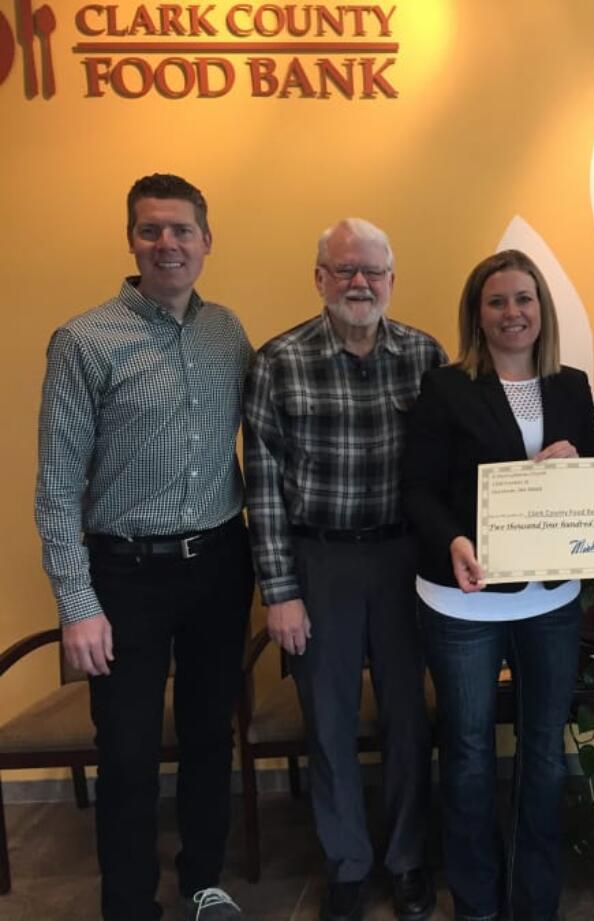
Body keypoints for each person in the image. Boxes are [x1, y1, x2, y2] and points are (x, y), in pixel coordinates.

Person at [34, 173, 254, 921]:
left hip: (221, 564)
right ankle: (129, 903)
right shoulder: (83, 340)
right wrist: (77, 602)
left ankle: (202, 881)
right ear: (131, 240)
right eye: (152, 230)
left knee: (206, 734)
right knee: (127, 752)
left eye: (182, 230)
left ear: (205, 240)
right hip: (124, 575)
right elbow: (57, 487)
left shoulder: (227, 331)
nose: (168, 244)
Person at [242, 218, 445, 921]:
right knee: (327, 722)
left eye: (373, 271)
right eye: (344, 269)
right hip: (317, 559)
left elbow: (449, 467)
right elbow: (261, 485)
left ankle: (410, 858)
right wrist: (281, 592)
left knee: (408, 719)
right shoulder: (278, 360)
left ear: (392, 278)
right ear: (320, 278)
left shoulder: (425, 354)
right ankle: (349, 862)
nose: (360, 282)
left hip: (404, 561)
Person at [404, 249, 594, 921]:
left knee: (544, 754)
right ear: (476, 314)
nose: (512, 312)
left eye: (524, 298)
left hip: (549, 600)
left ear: (541, 308)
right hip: (462, 599)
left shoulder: (572, 386)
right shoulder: (445, 387)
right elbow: (420, 489)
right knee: (466, 753)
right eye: (496, 301)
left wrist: (578, 458)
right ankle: (478, 901)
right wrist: (453, 541)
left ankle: (535, 900)